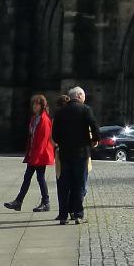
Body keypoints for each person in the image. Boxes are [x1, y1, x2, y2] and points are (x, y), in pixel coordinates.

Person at [52, 86, 98, 225]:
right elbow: (94, 126)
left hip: (65, 153)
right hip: (81, 152)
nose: (84, 99)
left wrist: (63, 143)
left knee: (64, 185)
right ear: (78, 96)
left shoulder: (60, 112)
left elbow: (54, 134)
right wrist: (94, 141)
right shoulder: (85, 109)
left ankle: (63, 216)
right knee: (79, 184)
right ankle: (78, 215)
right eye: (83, 96)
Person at [4, 94, 54, 214]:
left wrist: (35, 157)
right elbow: (32, 137)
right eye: (33, 104)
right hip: (34, 153)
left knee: (40, 178)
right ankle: (19, 201)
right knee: (29, 177)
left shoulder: (45, 120)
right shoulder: (34, 118)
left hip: (40, 154)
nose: (34, 106)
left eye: (36, 104)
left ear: (42, 105)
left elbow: (43, 141)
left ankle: (44, 202)